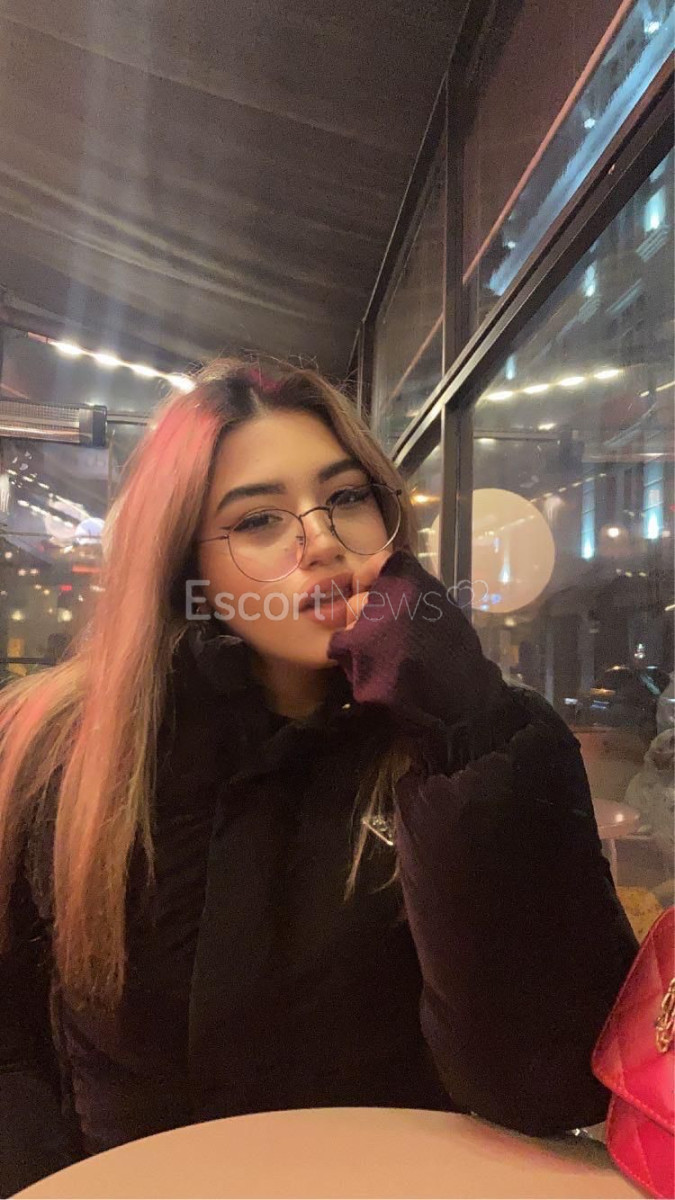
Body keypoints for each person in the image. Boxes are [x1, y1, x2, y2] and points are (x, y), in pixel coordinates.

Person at [0, 361, 637, 1195]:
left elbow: (544, 1082)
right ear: (182, 565)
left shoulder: (481, 741)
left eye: (345, 497)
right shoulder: (58, 744)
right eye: (258, 519)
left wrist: (463, 731)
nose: (322, 541)